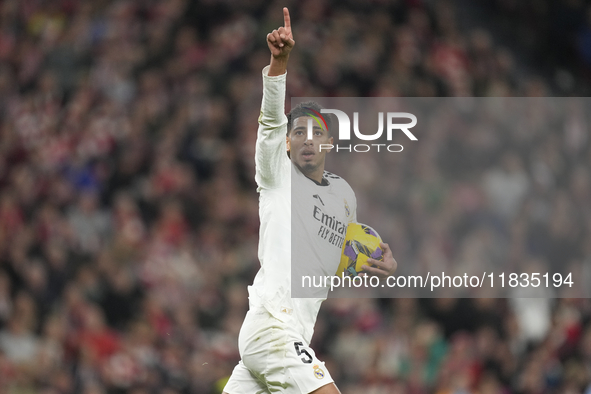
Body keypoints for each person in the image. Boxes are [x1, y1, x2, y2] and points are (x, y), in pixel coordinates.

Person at [223, 8, 397, 394]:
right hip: (273, 327)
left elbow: (339, 255)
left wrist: (379, 261)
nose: (307, 138)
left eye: (316, 132)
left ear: (328, 144)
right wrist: (279, 63)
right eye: (298, 131)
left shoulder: (342, 198)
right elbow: (269, 122)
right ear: (287, 144)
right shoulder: (275, 177)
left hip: (290, 332)